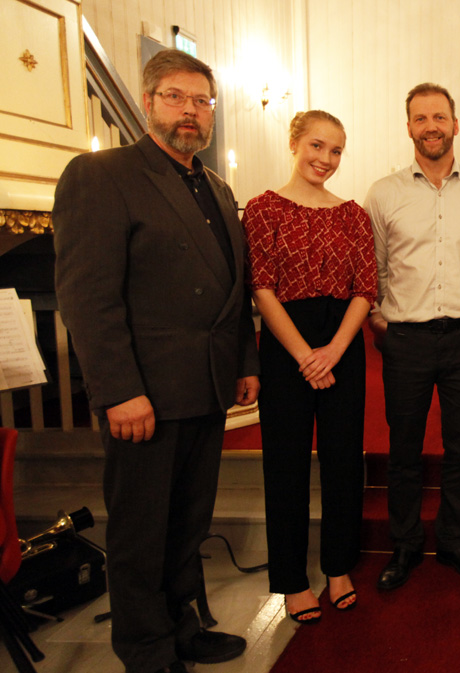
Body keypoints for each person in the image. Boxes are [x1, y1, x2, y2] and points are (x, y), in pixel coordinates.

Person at [52, 49, 259, 673]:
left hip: (207, 386)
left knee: (188, 521)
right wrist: (118, 390)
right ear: (147, 103)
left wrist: (244, 359)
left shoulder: (218, 188)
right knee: (141, 530)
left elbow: (236, 288)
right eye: (176, 97)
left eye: (201, 101)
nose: (190, 112)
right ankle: (145, 649)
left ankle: (184, 625)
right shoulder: (101, 174)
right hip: (145, 393)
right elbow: (87, 296)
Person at [364, 82, 460, 590]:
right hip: (406, 337)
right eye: (420, 118)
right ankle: (404, 545)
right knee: (404, 448)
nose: (431, 126)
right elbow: (374, 266)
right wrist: (382, 317)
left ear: (455, 124)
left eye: (439, 117)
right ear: (408, 128)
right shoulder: (384, 193)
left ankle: (453, 540)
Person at [243, 111, 377, 623]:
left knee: (344, 460)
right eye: (317, 146)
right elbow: (261, 286)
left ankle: (338, 567)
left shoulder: (353, 214)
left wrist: (334, 351)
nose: (326, 159)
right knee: (286, 463)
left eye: (337, 150)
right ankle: (293, 579)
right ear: (295, 143)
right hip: (285, 343)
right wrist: (304, 355)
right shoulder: (262, 209)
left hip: (342, 340)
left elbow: (366, 289)